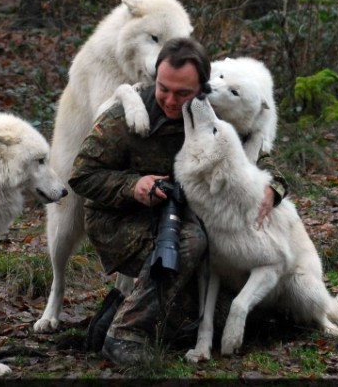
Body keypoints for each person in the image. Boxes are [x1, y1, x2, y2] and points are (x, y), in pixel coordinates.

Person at [68, 37, 287, 365]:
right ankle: (124, 334)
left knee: (223, 315)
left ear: (202, 87)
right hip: (121, 219)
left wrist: (274, 189)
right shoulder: (124, 116)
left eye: (183, 93)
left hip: (183, 215)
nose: (171, 101)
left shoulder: (212, 115)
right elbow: (82, 176)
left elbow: (260, 159)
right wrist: (133, 185)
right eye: (163, 89)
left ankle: (115, 310)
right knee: (190, 242)